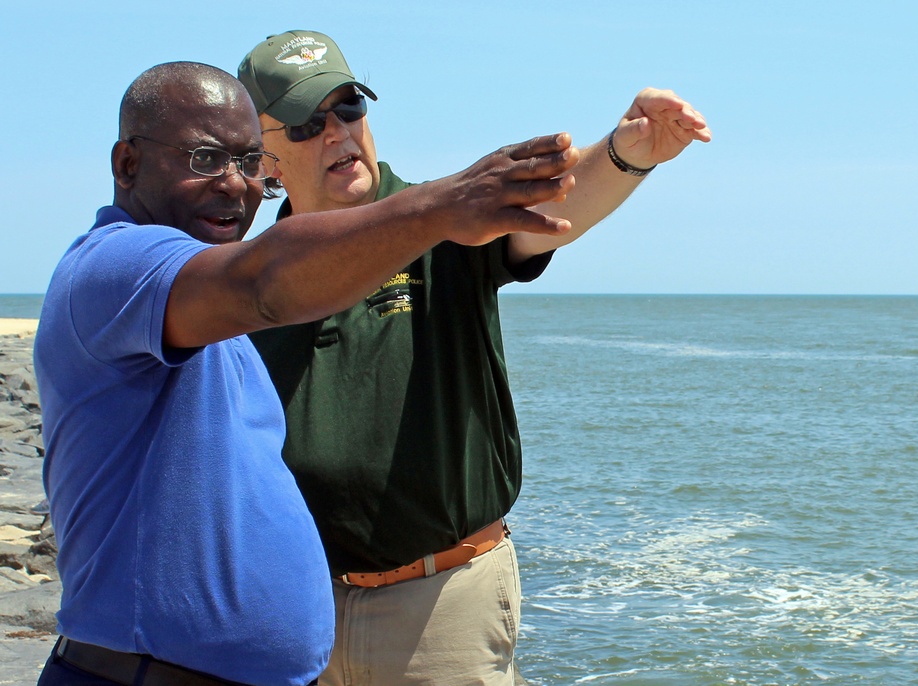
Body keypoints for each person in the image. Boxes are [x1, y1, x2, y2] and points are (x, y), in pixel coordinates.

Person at [33, 60, 580, 686]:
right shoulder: (115, 266)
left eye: (247, 164)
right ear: (128, 164)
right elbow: (266, 282)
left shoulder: (206, 313)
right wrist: (439, 207)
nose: (235, 185)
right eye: (206, 159)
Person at [237, 30, 711, 685]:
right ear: (264, 162)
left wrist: (627, 153)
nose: (337, 133)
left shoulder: (441, 221)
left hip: (440, 608)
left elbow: (550, 204)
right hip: (302, 616)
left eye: (348, 109)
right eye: (305, 124)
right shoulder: (255, 279)